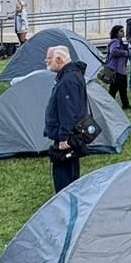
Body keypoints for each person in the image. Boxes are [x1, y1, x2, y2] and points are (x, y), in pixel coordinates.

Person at [43, 46, 90, 192]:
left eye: (49, 59)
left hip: (67, 135)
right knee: (72, 167)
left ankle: (64, 198)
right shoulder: (74, 75)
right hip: (74, 131)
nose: (46, 61)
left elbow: (67, 111)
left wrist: (64, 137)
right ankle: (72, 195)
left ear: (59, 60)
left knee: (63, 169)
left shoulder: (67, 80)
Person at [104, 24, 131, 111]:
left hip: (121, 69)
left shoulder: (120, 42)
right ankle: (110, 105)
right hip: (116, 70)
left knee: (122, 88)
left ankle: (125, 104)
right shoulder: (115, 42)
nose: (123, 32)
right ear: (116, 33)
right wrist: (125, 53)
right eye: (121, 31)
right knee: (114, 89)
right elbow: (114, 51)